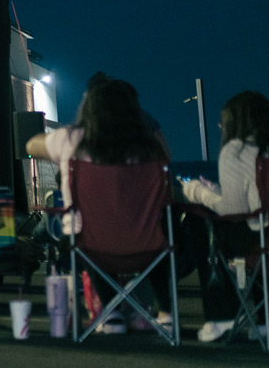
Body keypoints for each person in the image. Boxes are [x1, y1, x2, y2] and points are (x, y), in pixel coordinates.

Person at [26, 78, 178, 334]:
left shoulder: (70, 139)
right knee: (161, 236)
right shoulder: (149, 149)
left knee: (90, 234)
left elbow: (31, 145)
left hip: (90, 244)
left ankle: (112, 313)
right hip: (145, 243)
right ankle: (166, 313)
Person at [182, 91, 269, 342]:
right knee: (255, 231)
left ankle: (222, 316)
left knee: (201, 222)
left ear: (236, 122)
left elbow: (232, 211)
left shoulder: (237, 149)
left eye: (223, 123)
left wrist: (199, 192)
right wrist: (219, 192)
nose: (221, 128)